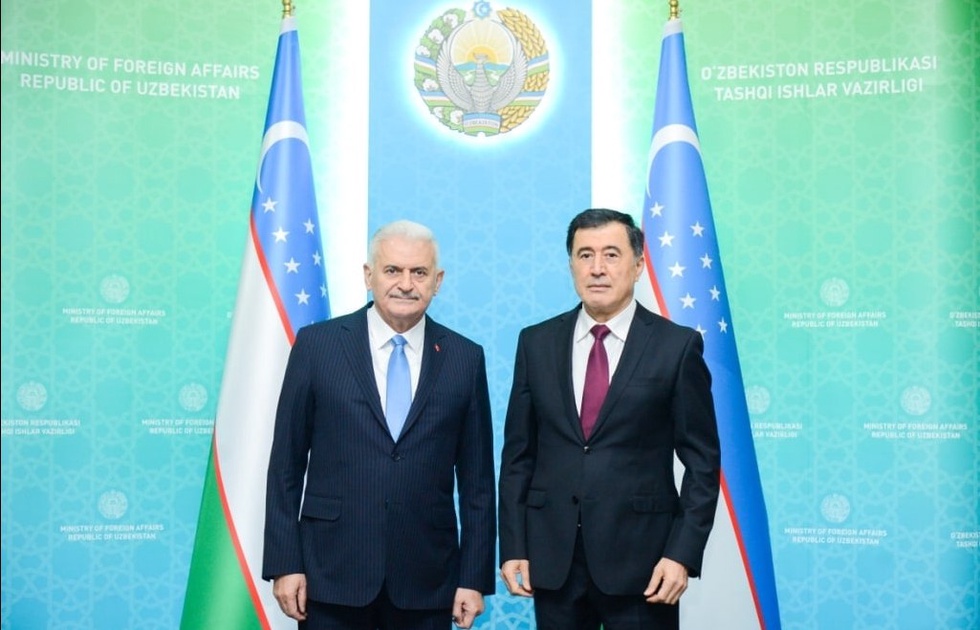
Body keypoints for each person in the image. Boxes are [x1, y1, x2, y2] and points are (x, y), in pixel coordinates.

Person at [263, 220, 496, 630]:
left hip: (427, 579)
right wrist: (285, 563)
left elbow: (478, 482)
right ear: (369, 275)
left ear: (438, 281)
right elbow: (286, 464)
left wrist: (473, 578)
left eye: (419, 272)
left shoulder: (465, 358)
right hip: (330, 574)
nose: (405, 284)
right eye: (392, 270)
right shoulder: (317, 346)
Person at [497, 208, 721, 630]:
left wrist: (681, 554)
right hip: (554, 560)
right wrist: (513, 546)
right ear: (571, 265)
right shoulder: (536, 343)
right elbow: (518, 457)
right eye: (585, 255)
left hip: (645, 565)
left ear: (637, 265)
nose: (597, 268)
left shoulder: (676, 347)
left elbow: (702, 464)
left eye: (611, 254)